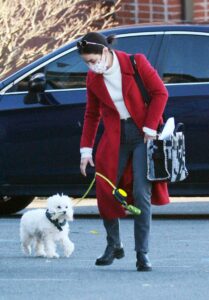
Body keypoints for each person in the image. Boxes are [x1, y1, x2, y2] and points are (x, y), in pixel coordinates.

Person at [77, 32, 169, 272]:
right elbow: (91, 115)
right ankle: (114, 245)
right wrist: (85, 151)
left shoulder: (135, 63)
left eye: (93, 60)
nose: (91, 66)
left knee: (141, 192)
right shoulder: (93, 79)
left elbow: (161, 93)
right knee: (105, 189)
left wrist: (151, 126)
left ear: (105, 52)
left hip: (142, 134)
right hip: (115, 136)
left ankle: (142, 254)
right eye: (86, 62)